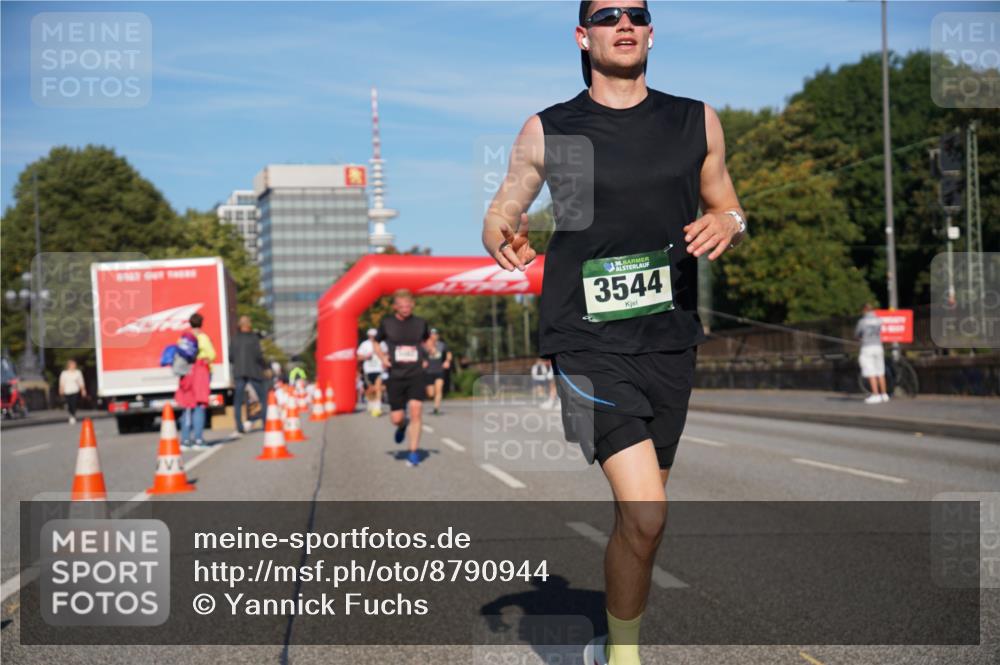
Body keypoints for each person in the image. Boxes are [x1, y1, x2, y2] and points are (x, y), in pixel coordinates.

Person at [481, 3, 747, 663]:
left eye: (636, 13)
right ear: (584, 36)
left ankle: (612, 642)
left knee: (640, 521)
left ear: (651, 32)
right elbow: (505, 204)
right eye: (607, 15)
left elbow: (727, 205)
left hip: (669, 340)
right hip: (586, 339)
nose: (623, 23)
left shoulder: (695, 120)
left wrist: (730, 223)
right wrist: (502, 231)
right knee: (649, 511)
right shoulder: (552, 128)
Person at [373, 289, 430, 467]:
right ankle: (402, 425)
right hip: (396, 375)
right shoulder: (387, 323)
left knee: (416, 410)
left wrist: (427, 355)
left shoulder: (420, 323)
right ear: (395, 307)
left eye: (408, 306)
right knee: (396, 418)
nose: (405, 309)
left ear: (413, 305)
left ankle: (413, 452)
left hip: (416, 373)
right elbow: (375, 342)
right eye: (402, 306)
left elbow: (428, 340)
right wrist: (383, 358)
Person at [175, 312, 216, 449]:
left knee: (187, 405)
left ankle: (185, 440)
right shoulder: (203, 337)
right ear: (201, 323)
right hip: (200, 373)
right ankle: (198, 439)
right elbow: (212, 355)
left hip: (186, 373)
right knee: (199, 405)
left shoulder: (184, 337)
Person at [230, 315, 266, 434]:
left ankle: (239, 426)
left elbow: (230, 357)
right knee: (262, 397)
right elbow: (259, 355)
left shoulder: (235, 339)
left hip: (239, 371)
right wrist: (264, 367)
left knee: (238, 400)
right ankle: (266, 422)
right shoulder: (253, 338)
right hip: (253, 371)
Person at [855, 303, 889, 404]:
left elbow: (857, 334)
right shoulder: (879, 320)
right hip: (878, 346)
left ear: (864, 310)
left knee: (871, 372)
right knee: (880, 371)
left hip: (867, 347)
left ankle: (875, 395)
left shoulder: (862, 321)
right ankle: (884, 394)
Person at [357, 328, 388, 417]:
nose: (373, 337)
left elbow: (387, 354)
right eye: (371, 335)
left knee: (378, 387)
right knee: (370, 389)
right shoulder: (364, 344)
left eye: (374, 335)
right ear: (368, 335)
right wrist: (366, 357)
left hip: (379, 368)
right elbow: (358, 357)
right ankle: (371, 402)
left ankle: (377, 407)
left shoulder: (382, 344)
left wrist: (385, 361)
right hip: (368, 369)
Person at [423, 328, 452, 415]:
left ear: (438, 336)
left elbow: (449, 354)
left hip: (439, 370)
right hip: (428, 372)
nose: (434, 336)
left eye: (435, 334)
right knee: (431, 393)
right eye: (432, 335)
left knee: (438, 390)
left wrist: (447, 361)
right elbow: (420, 355)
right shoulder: (424, 345)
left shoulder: (442, 345)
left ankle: (436, 409)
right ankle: (432, 399)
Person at [58, 358, 86, 425]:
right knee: (69, 404)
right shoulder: (64, 373)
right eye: (72, 364)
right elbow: (62, 382)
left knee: (74, 403)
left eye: (74, 364)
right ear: (69, 365)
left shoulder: (78, 372)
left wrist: (83, 390)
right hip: (67, 391)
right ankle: (71, 414)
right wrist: (61, 389)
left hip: (75, 390)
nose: (74, 365)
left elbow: (81, 382)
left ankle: (73, 415)